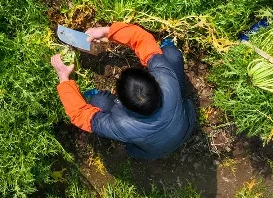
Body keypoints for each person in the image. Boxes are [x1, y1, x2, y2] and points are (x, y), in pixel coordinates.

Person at [49, 22, 196, 159]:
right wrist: (107, 31)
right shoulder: (166, 77)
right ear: (154, 81)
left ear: (121, 102)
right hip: (186, 125)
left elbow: (80, 115)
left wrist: (63, 78)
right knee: (171, 55)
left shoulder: (121, 126)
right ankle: (168, 44)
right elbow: (142, 39)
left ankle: (92, 95)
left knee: (99, 101)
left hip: (154, 151)